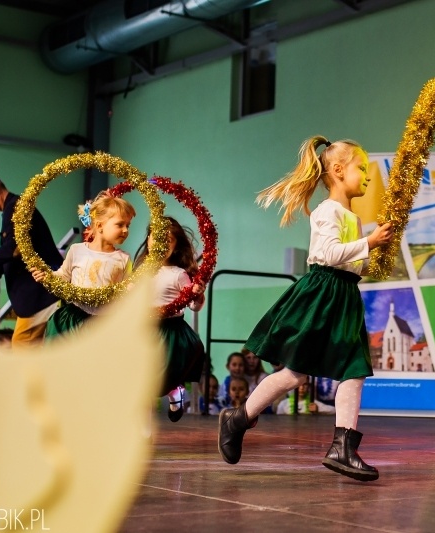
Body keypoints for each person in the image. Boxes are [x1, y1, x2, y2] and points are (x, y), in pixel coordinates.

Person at [217, 136, 393, 482]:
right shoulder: (328, 211)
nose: (367, 175)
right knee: (296, 373)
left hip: (343, 294)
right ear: (338, 170)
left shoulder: (351, 216)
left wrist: (372, 257)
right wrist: (369, 242)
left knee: (353, 369)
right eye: (361, 168)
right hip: (322, 294)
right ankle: (237, 419)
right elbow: (328, 254)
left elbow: (351, 263)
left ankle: (342, 447)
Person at [0, 172, 62, 347]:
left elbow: (14, 249)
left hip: (40, 295)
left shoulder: (17, 208)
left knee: (22, 345)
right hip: (42, 294)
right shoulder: (13, 207)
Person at [133, 216, 206, 423]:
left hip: (170, 332)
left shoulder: (178, 274)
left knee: (162, 379)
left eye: (168, 240)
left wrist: (197, 295)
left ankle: (175, 392)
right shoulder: (140, 271)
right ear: (148, 240)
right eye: (156, 237)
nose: (161, 244)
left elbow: (193, 306)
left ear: (176, 246)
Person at [32, 194, 135, 337]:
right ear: (99, 226)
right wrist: (47, 276)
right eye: (120, 224)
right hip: (73, 320)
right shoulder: (77, 250)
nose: (125, 230)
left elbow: (126, 287)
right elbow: (64, 275)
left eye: (128, 225)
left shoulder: (123, 259)